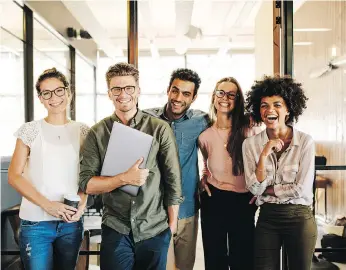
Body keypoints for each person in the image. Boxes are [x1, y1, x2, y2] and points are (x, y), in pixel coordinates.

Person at [79, 62, 183, 270]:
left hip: (154, 227)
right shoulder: (97, 133)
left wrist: (171, 227)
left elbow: (173, 181)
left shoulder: (159, 129)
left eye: (129, 88)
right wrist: (124, 178)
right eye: (116, 89)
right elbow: (86, 184)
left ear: (138, 90)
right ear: (109, 93)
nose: (123, 94)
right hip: (116, 227)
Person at [8, 68, 89, 270]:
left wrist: (82, 204)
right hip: (36, 224)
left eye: (59, 91)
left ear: (68, 93)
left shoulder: (83, 131)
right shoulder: (30, 130)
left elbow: (89, 175)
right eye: (47, 93)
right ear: (41, 99)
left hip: (70, 224)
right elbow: (14, 176)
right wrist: (48, 205)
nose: (54, 98)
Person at [242, 75, 317, 270]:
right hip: (268, 218)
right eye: (264, 105)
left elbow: (300, 188)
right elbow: (253, 187)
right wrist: (264, 153)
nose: (269, 110)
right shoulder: (250, 144)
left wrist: (266, 189)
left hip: (299, 217)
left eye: (277, 104)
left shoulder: (305, 142)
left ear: (288, 109)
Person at [145, 68, 209, 270]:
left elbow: (222, 140)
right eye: (175, 90)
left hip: (188, 208)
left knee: (183, 266)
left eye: (186, 93)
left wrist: (208, 173)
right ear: (168, 90)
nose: (178, 98)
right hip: (155, 210)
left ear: (194, 97)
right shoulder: (147, 119)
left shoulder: (202, 121)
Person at [198, 77, 258, 270]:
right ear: (214, 97)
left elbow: (263, 161)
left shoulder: (250, 128)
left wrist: (260, 189)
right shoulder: (205, 134)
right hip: (214, 198)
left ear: (238, 99)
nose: (225, 98)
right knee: (215, 258)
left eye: (231, 94)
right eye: (221, 93)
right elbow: (206, 161)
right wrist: (203, 178)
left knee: (243, 257)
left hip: (244, 200)